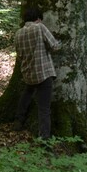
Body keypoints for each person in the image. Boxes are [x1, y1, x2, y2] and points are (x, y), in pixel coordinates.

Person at [14, 7, 61, 140]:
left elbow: (19, 56)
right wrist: (61, 43)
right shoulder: (40, 27)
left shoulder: (18, 33)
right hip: (43, 73)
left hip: (28, 74)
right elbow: (55, 46)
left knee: (27, 93)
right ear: (38, 19)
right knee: (44, 108)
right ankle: (44, 137)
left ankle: (19, 120)